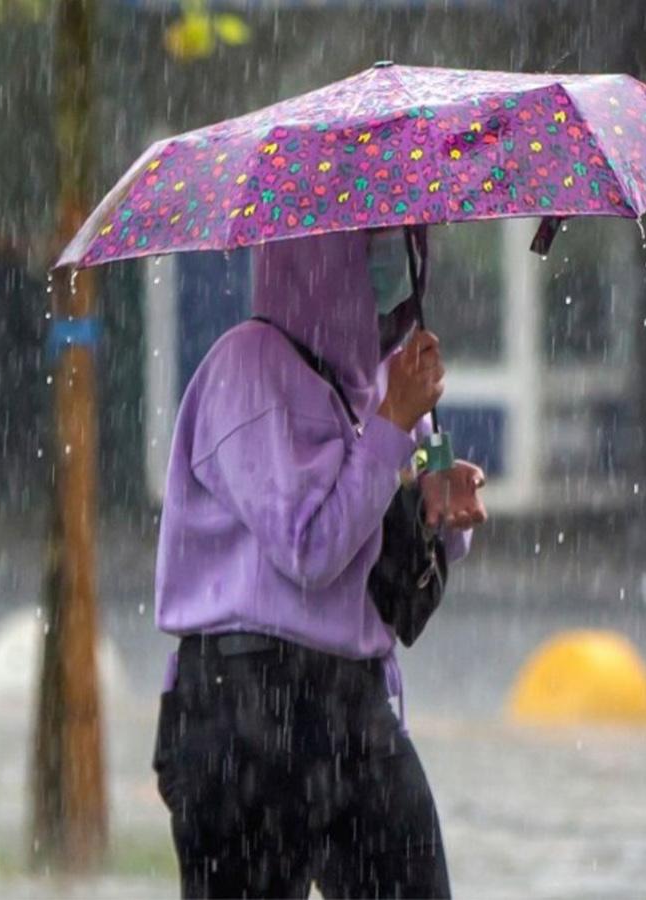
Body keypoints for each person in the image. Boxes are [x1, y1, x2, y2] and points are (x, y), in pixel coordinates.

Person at [151, 227, 487, 899]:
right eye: (375, 244)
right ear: (324, 257)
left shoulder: (382, 380)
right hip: (246, 705)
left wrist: (440, 504)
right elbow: (309, 548)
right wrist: (390, 428)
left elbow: (393, 536)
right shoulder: (246, 370)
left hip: (352, 702)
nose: (396, 264)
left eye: (405, 242)